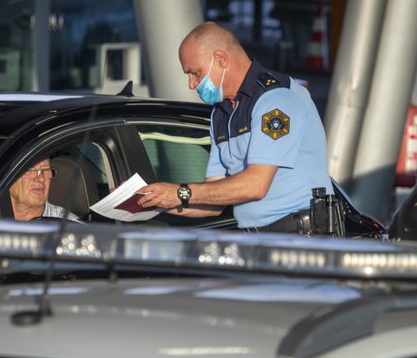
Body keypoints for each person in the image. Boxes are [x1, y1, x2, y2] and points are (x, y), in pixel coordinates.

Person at [138, 22, 334, 233]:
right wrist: (152, 199)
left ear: (221, 59)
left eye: (195, 73)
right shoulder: (221, 113)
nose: (191, 84)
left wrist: (180, 192)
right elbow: (212, 203)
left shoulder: (275, 98)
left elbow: (255, 185)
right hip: (257, 239)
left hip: (300, 238)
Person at [9, 157, 81, 222]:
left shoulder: (69, 226)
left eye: (46, 170)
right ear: (8, 176)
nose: (41, 178)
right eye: (29, 170)